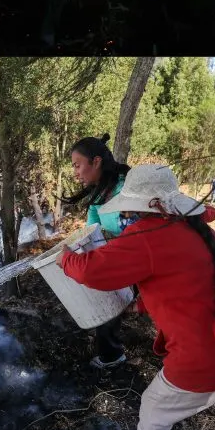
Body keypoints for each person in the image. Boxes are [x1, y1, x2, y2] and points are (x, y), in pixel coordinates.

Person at [58, 164, 215, 430]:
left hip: (206, 359)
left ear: (148, 205)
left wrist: (65, 258)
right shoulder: (200, 230)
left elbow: (92, 271)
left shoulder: (148, 234)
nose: (126, 215)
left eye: (129, 208)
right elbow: (192, 284)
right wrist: (145, 303)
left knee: (154, 415)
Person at [62, 133, 131, 368]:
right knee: (105, 297)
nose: (75, 172)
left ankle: (113, 356)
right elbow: (91, 229)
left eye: (77, 165)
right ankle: (111, 353)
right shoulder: (100, 192)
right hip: (122, 255)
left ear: (97, 162)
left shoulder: (127, 187)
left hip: (144, 258)